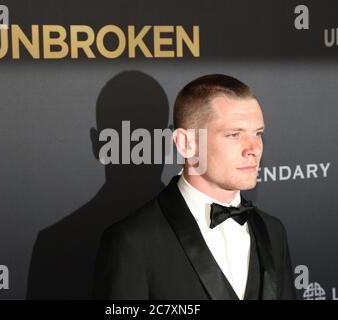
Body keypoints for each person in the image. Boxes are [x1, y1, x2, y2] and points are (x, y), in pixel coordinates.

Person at [92, 74, 296, 300]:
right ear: (186, 144)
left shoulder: (272, 230)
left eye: (257, 133)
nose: (253, 148)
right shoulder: (133, 241)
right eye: (234, 134)